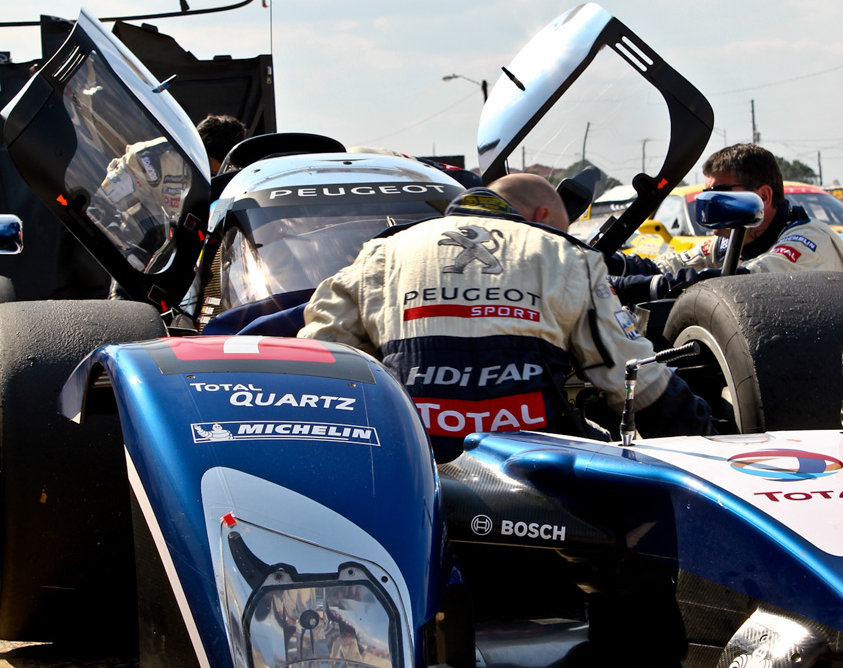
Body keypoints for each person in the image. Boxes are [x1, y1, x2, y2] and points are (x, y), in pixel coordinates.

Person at [298, 173, 710, 461]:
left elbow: (318, 362)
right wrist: (702, 433)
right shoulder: (566, 253)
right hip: (530, 470)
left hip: (416, 465)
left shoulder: (381, 253)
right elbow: (630, 371)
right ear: (543, 217)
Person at [610, 144, 843, 303]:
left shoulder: (809, 241)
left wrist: (621, 288)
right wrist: (606, 263)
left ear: (763, 197)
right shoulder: (731, 241)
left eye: (720, 194)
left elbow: (742, 283)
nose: (710, 204)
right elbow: (669, 268)